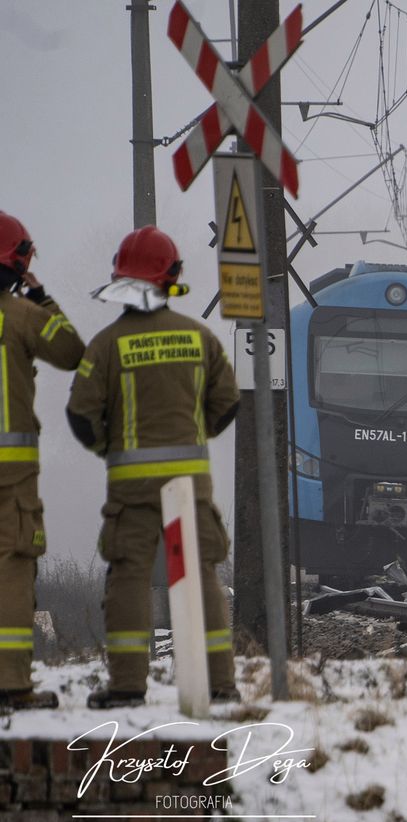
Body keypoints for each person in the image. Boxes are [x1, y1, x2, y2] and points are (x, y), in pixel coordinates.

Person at [66, 226, 240, 709]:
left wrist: (111, 448)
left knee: (129, 577)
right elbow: (227, 404)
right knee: (199, 575)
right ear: (172, 278)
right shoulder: (199, 337)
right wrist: (192, 435)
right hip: (189, 485)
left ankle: (127, 686)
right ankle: (219, 682)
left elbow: (80, 415)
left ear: (120, 277)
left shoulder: (105, 345)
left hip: (131, 488)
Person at [0, 212, 85, 712]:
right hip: (11, 472)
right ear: (18, 261)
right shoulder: (20, 315)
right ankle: (10, 683)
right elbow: (72, 351)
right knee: (12, 565)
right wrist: (41, 296)